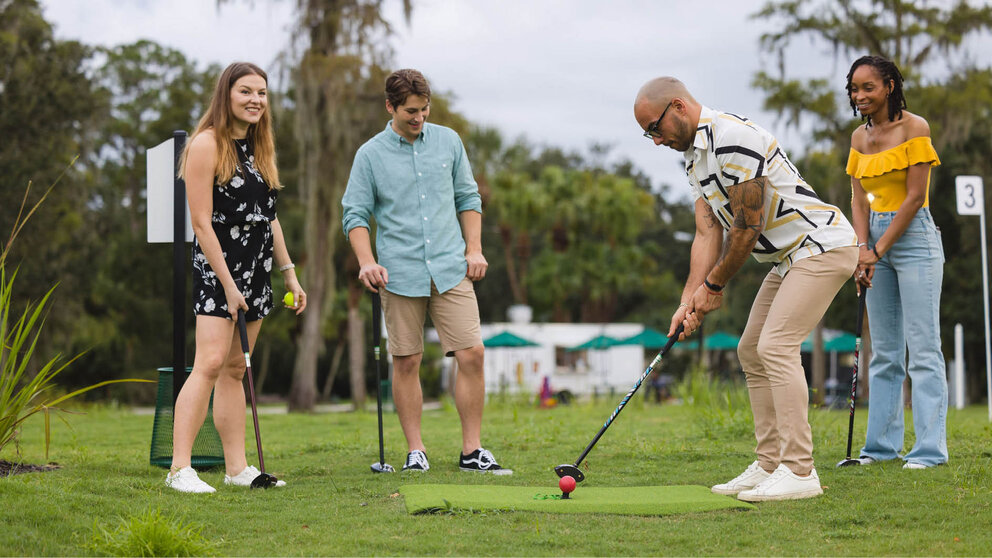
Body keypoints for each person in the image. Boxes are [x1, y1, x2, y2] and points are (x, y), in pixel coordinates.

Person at [634, 77, 858, 502]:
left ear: (678, 106)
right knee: (751, 350)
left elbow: (747, 226)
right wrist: (688, 300)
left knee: (775, 346)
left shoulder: (732, 138)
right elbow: (707, 232)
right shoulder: (694, 160)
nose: (656, 139)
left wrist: (714, 286)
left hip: (821, 246)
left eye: (655, 128)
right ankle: (770, 462)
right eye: (649, 134)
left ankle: (799, 470)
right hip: (787, 258)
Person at [341, 69, 510, 475]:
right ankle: (416, 451)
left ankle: (472, 450)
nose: (419, 118)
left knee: (472, 354)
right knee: (407, 361)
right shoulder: (370, 155)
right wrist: (366, 261)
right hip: (398, 273)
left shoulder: (449, 142)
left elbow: (468, 197)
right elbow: (355, 214)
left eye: (424, 109)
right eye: (410, 111)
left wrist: (474, 249)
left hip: (451, 268)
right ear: (390, 107)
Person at [166, 62, 307, 493]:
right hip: (218, 271)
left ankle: (237, 468)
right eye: (246, 91)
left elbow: (269, 218)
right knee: (208, 364)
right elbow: (200, 222)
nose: (255, 100)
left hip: (256, 271)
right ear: (226, 95)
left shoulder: (259, 148)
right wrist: (228, 284)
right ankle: (179, 469)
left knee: (234, 369)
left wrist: (289, 274)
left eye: (261, 93)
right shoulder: (206, 144)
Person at [846, 55, 947, 469]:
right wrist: (861, 249)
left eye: (868, 87)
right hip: (873, 243)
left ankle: (928, 451)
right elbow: (858, 200)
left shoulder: (915, 128)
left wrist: (878, 249)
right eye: (854, 89)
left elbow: (915, 197)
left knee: (923, 349)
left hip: (914, 239)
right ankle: (881, 447)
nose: (860, 95)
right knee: (885, 352)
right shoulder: (858, 137)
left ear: (889, 86)